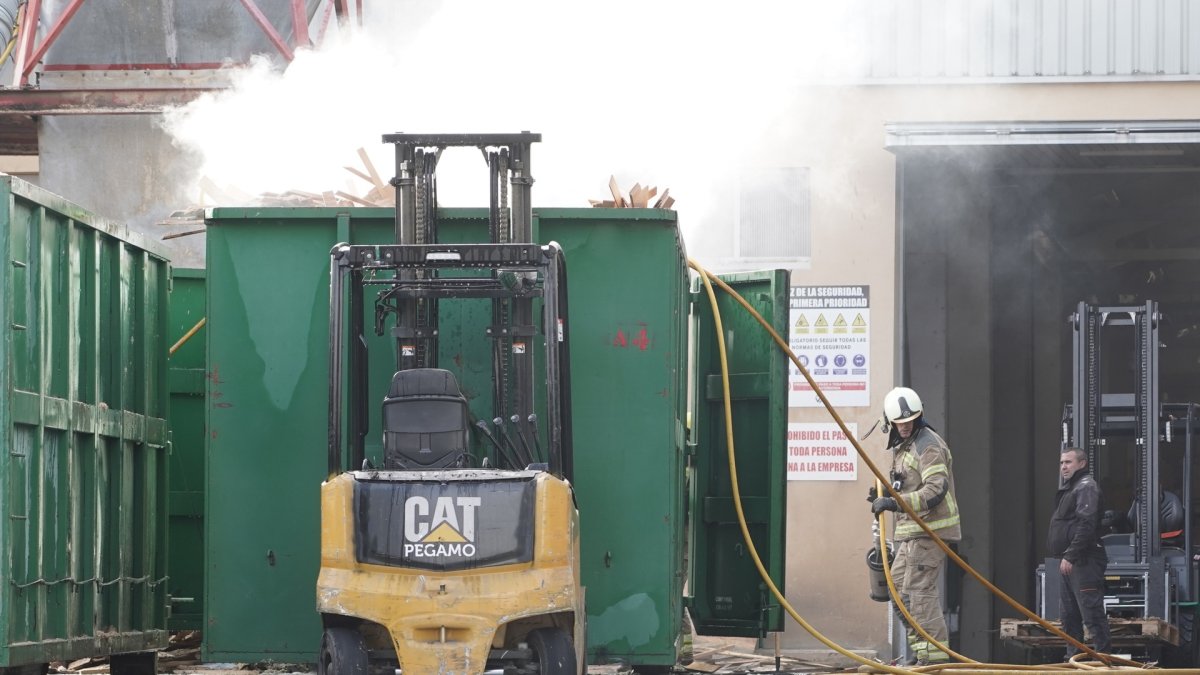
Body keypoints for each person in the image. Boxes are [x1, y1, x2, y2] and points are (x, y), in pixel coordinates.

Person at [870, 386, 961, 665]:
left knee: (919, 595)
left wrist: (894, 503)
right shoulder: (904, 447)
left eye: (910, 421)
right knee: (898, 593)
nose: (905, 426)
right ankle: (922, 655)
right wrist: (884, 495)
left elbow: (935, 490)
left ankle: (936, 662)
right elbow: (907, 484)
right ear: (890, 423)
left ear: (919, 417)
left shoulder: (928, 444)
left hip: (930, 532)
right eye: (900, 423)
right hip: (911, 534)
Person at [1047, 447, 1111, 658]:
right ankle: (1072, 660)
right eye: (1061, 463)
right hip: (1071, 561)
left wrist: (1070, 555)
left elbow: (1086, 524)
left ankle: (1103, 660)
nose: (1064, 467)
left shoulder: (1086, 487)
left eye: (1068, 462)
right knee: (1069, 616)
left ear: (1082, 464)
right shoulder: (1071, 489)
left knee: (1091, 613)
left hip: (1084, 560)